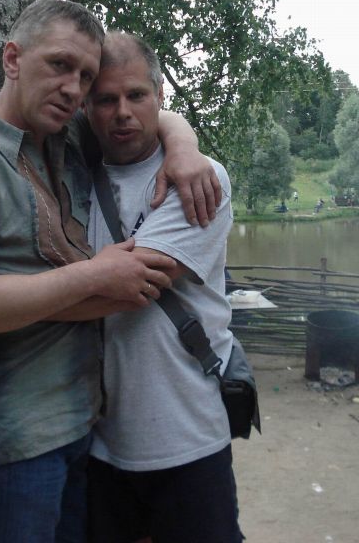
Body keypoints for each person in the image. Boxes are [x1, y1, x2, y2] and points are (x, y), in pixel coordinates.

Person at [0, 0, 219, 543]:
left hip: (77, 425)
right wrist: (93, 274)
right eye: (59, 65)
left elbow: (142, 106)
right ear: (12, 59)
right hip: (11, 437)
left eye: (85, 76)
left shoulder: (62, 139)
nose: (74, 89)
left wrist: (185, 147)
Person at [82, 32, 241, 542]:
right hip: (99, 443)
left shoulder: (200, 181)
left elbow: (128, 287)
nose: (122, 112)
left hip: (188, 438)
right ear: (86, 106)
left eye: (136, 95)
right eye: (105, 99)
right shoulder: (71, 180)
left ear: (160, 96)